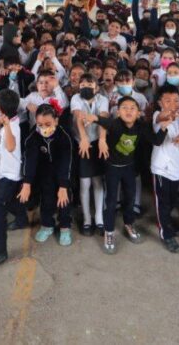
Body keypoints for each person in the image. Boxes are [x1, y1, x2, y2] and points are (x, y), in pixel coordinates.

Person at [97, 95, 154, 255]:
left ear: (138, 112)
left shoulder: (141, 126)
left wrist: (163, 126)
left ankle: (129, 223)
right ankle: (109, 231)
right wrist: (92, 119)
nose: (128, 111)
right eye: (124, 108)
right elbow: (101, 120)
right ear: (118, 112)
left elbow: (155, 140)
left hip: (129, 168)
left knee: (130, 197)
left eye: (132, 108)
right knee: (111, 200)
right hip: (112, 169)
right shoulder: (114, 124)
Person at [0, 90, 27, 270]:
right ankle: (22, 219)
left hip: (11, 175)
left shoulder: (13, 126)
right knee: (9, 202)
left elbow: (10, 146)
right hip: (3, 173)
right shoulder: (3, 122)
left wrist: (6, 125)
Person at [20, 103, 74, 247]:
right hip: (44, 173)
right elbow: (29, 160)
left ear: (56, 120)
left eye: (48, 124)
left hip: (62, 172)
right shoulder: (32, 136)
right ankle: (47, 225)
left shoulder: (65, 135)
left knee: (64, 199)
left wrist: (63, 185)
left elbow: (66, 162)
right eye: (40, 124)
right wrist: (27, 183)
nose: (44, 128)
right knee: (46, 198)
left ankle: (65, 227)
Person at [150, 84, 179, 253]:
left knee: (172, 200)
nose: (173, 103)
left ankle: (166, 221)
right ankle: (165, 233)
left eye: (176, 100)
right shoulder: (158, 115)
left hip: (176, 167)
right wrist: (167, 117)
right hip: (160, 168)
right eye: (168, 100)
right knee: (162, 202)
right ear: (160, 103)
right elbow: (160, 120)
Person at [73, 73, 109, 236]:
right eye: (82, 85)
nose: (85, 87)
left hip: (97, 143)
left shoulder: (103, 100)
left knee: (98, 181)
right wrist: (84, 138)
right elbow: (78, 117)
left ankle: (99, 218)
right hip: (82, 143)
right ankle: (87, 219)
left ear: (97, 87)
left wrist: (102, 139)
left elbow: (103, 119)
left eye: (89, 84)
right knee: (84, 182)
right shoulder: (76, 98)